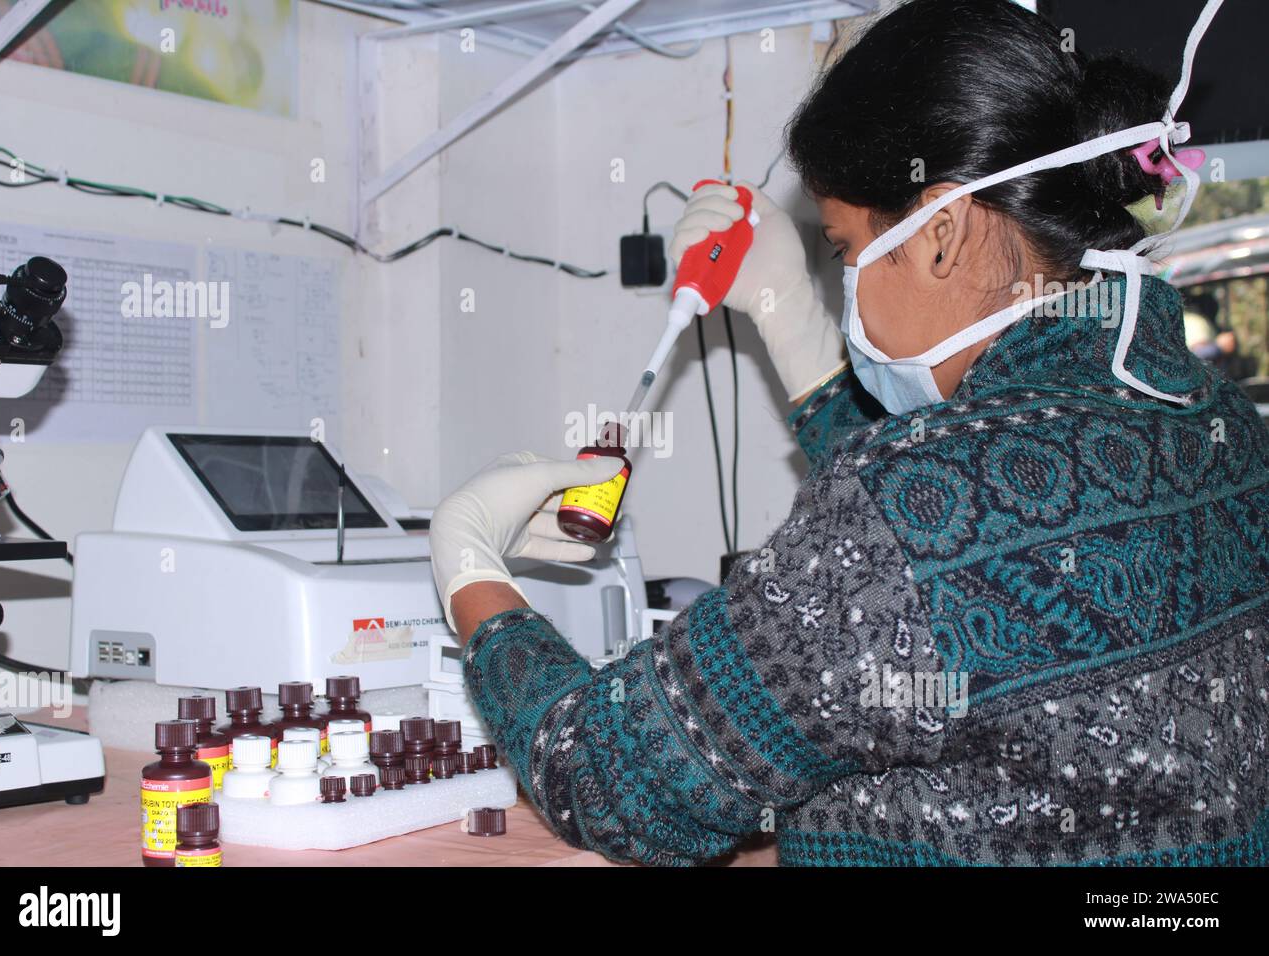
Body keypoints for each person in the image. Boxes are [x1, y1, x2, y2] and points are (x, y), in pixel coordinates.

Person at [429, 0, 1268, 865]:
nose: (846, 286)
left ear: (941, 232)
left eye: (842, 251)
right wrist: (788, 316)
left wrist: (471, 571)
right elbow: (955, 567)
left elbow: (608, 777)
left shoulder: (914, 507)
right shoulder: (1217, 422)